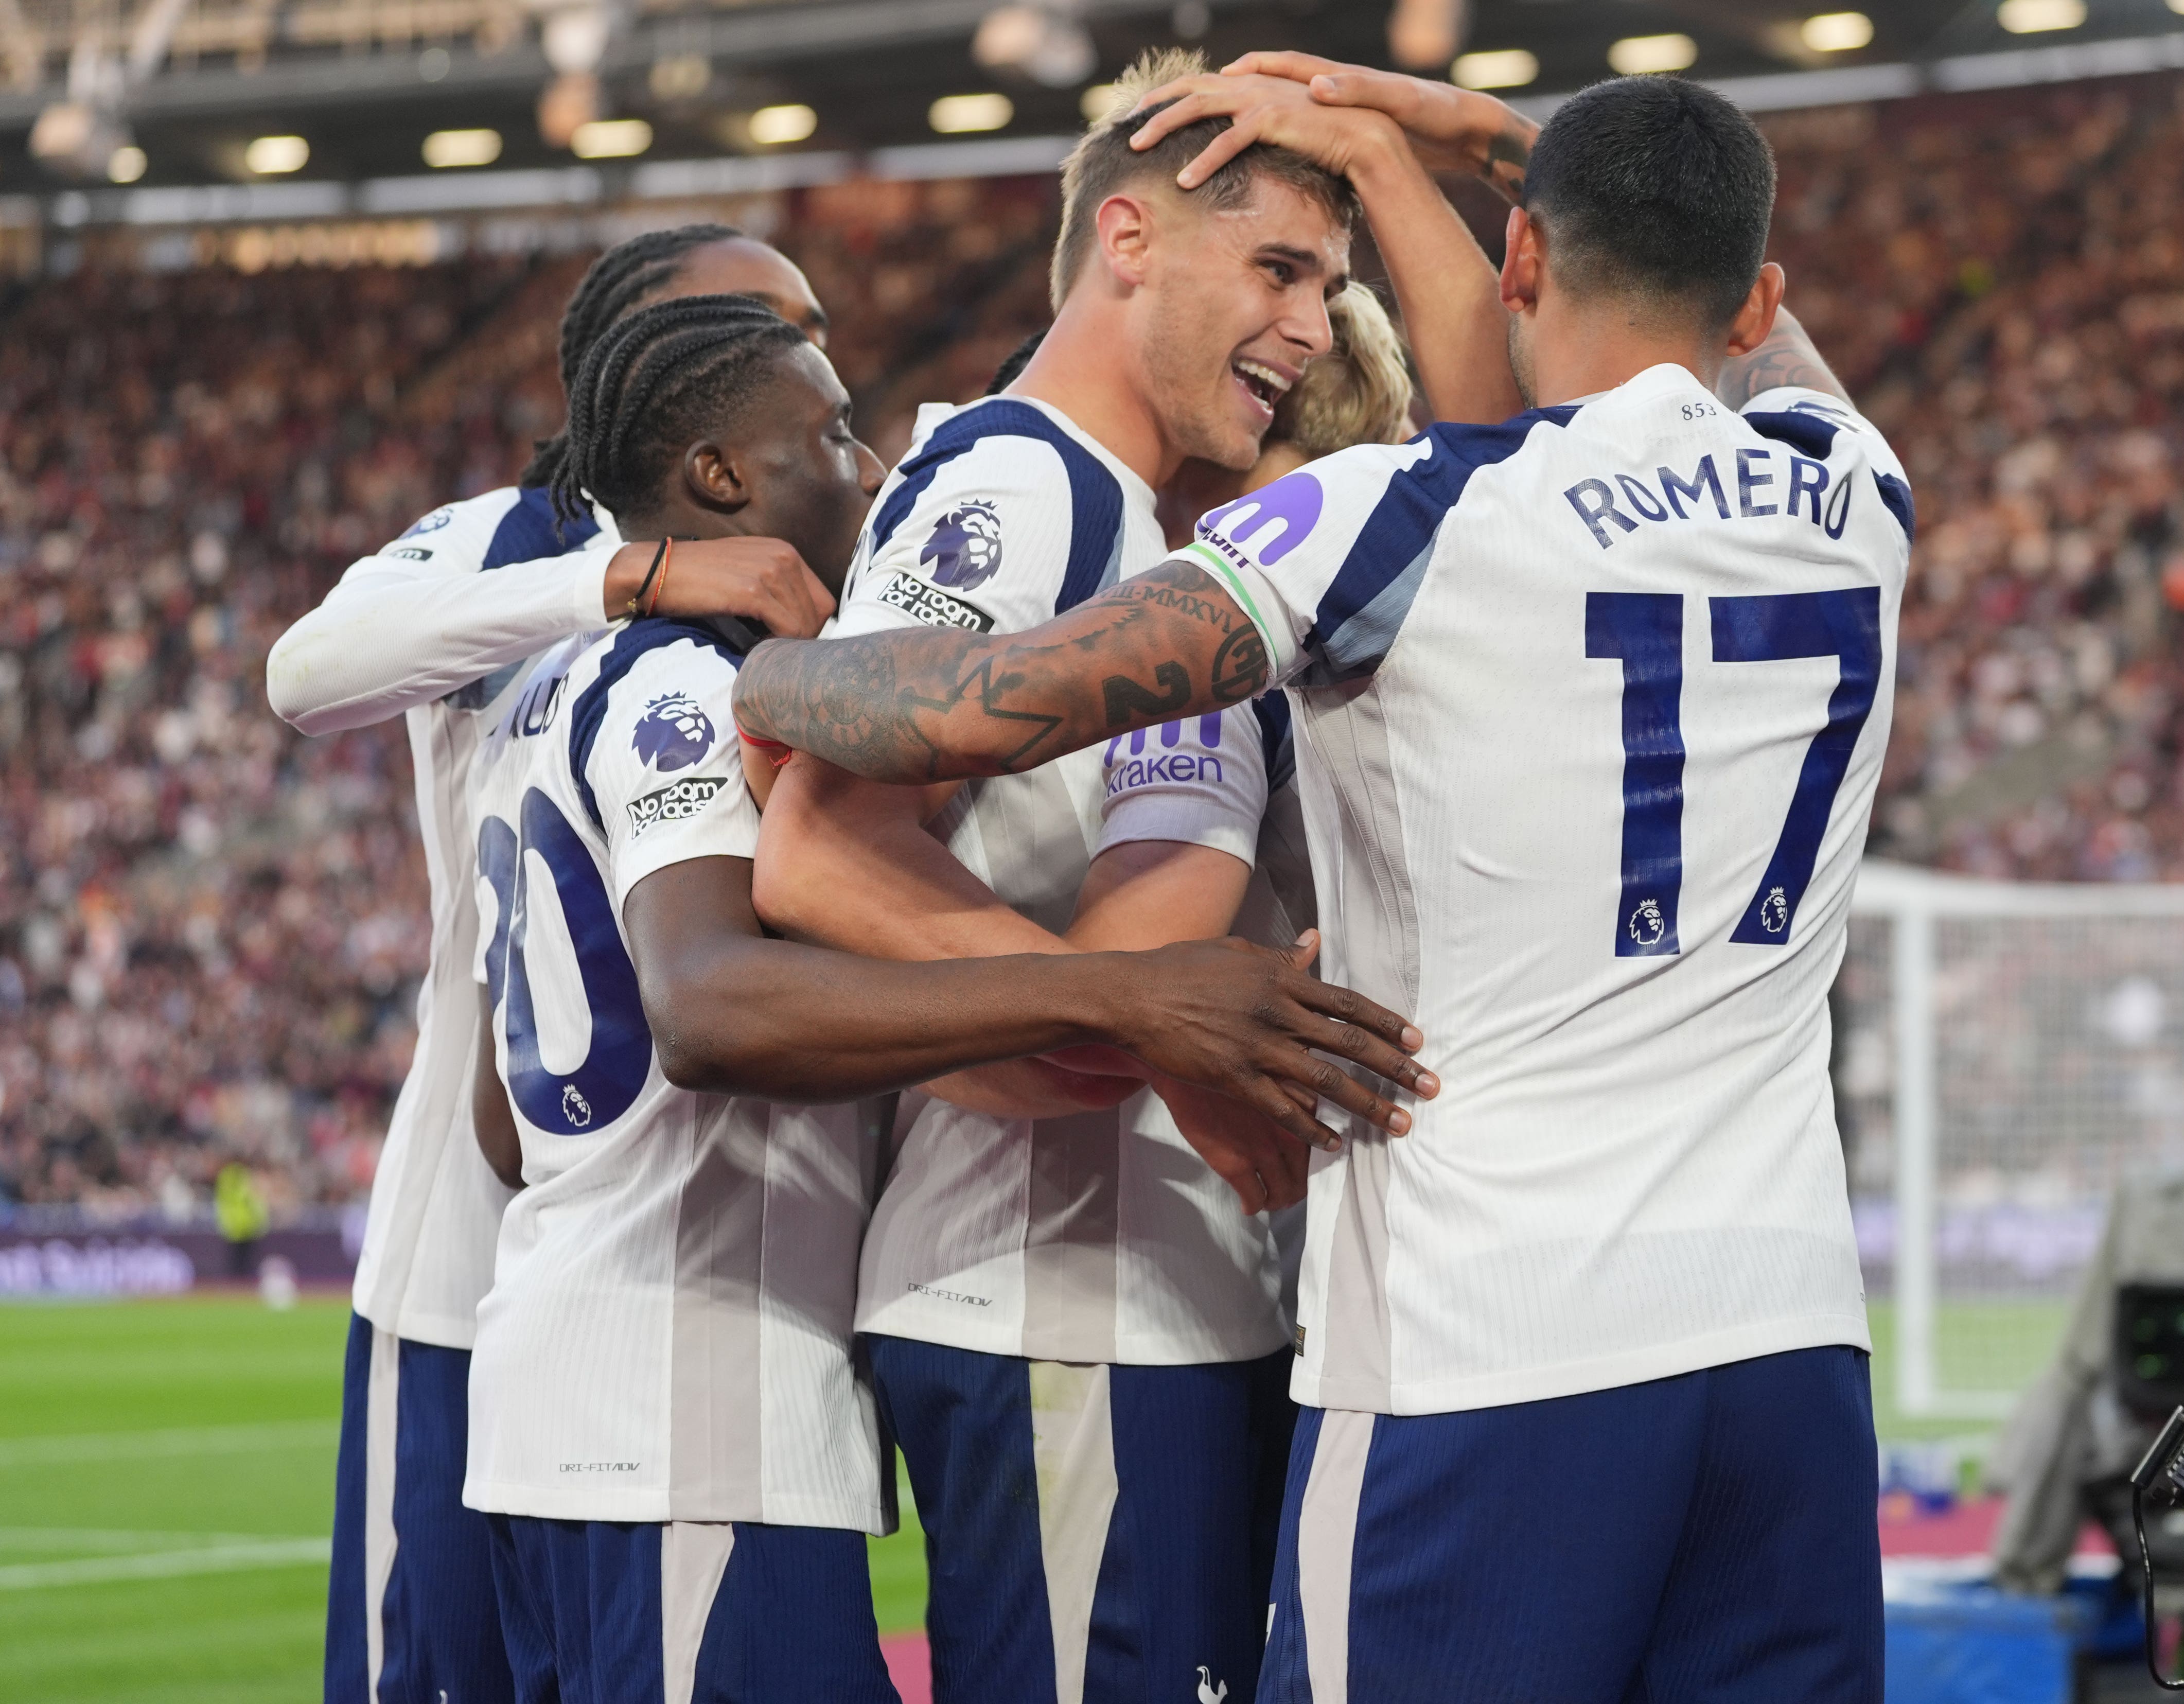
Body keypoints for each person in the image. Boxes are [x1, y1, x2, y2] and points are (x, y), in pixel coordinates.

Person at [734, 73, 1908, 1701]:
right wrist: (1445, 134)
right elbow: (1703, 332)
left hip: (1483, 1340)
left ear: (1521, 263)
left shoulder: (1385, 519)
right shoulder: (1858, 488)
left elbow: (964, 711)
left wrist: (772, 674)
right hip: (1786, 1342)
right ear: (1758, 299)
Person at [460, 293, 1431, 1700]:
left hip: (652, 1368)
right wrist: (1152, 1016)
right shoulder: (709, 684)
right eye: (832, 437)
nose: (871, 470)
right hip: (850, 1352)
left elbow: (505, 1119)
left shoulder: (558, 685)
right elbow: (720, 1003)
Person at [745, 49, 1520, 1704]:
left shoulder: (1129, 514)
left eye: (1328, 285)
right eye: (1280, 270)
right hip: (1060, 1296)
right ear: (1130, 239)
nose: (1309, 325)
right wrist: (1122, 1026)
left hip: (1127, 1291)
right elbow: (817, 842)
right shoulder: (1023, 481)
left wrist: (1133, 1026)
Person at [268, 223, 872, 1704]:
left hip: (648, 1264)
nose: (797, 349)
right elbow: (305, 673)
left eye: (806, 328)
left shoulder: (801, 564)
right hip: (461, 1268)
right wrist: (621, 575)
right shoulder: (507, 537)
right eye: (754, 320)